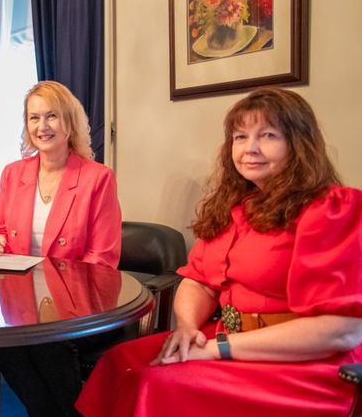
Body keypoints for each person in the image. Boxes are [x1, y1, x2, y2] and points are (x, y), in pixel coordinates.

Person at [75, 87, 362, 417]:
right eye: (240, 137)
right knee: (117, 361)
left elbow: (341, 330)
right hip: (227, 339)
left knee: (155, 382)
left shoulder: (331, 209)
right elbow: (198, 281)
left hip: (303, 363)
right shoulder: (235, 208)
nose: (249, 149)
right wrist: (186, 327)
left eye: (267, 135)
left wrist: (216, 349)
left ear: (298, 145)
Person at [0, 80, 122, 417]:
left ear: (69, 122)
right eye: (34, 118)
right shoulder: (13, 174)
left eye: (52, 116)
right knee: (1, 344)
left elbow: (101, 259)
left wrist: (59, 304)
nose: (42, 127)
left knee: (45, 345)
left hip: (79, 306)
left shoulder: (97, 178)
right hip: (21, 304)